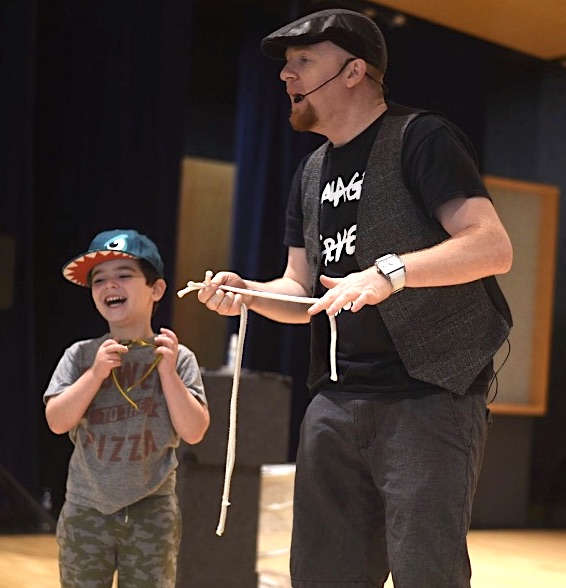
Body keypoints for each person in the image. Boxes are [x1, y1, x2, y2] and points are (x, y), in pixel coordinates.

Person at [198, 8, 513, 588]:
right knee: (322, 575)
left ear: (352, 72)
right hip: (337, 402)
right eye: (286, 65)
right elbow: (298, 288)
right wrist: (248, 293)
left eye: (302, 62)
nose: (286, 77)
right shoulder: (311, 170)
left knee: (428, 573)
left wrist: (389, 272)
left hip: (429, 394)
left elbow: (492, 246)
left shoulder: (421, 137)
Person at [44, 228, 209, 588]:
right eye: (99, 280)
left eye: (124, 275)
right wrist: (95, 374)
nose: (109, 286)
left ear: (157, 289)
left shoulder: (176, 356)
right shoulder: (81, 355)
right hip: (87, 509)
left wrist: (168, 373)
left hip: (152, 511)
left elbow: (194, 430)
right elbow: (57, 421)